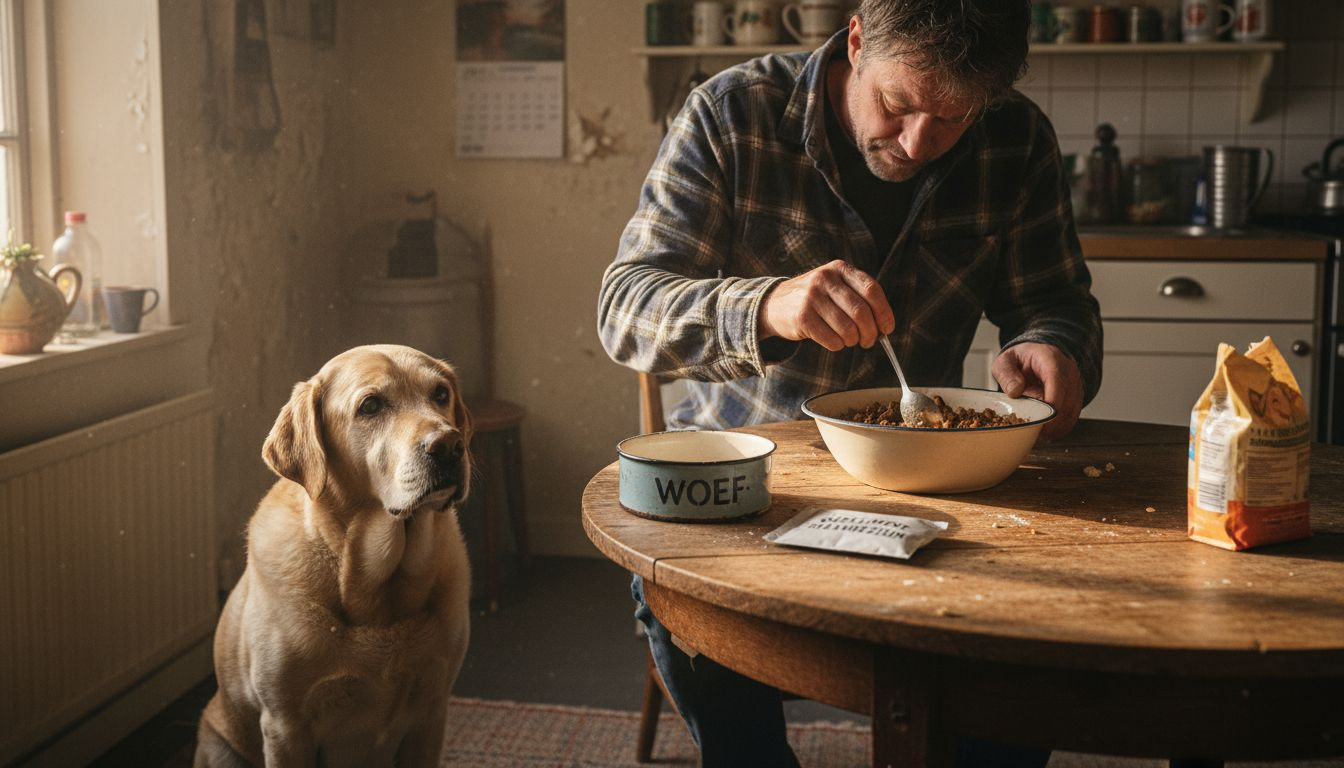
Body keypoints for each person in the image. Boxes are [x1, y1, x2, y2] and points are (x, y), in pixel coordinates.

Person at [598, 0, 1102, 765]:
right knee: (691, 630)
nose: (917, 145)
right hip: (751, 497)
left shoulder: (1017, 138)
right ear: (857, 40)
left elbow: (1055, 303)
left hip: (938, 499)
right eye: (898, 106)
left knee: (1020, 677)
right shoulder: (733, 115)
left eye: (952, 121)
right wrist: (764, 304)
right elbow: (625, 310)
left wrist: (1051, 346)